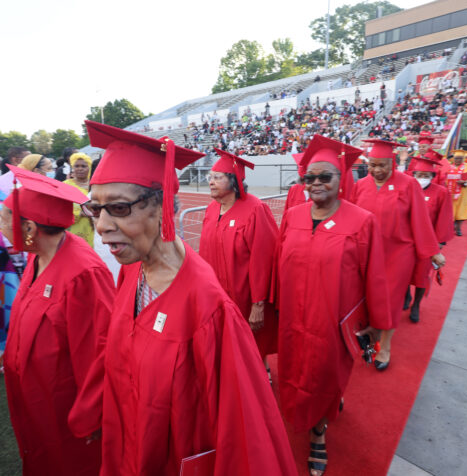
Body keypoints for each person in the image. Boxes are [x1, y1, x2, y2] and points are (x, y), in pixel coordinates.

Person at [82, 120, 298, 476]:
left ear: (164, 205)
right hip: (126, 443)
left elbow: (242, 429)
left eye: (118, 208)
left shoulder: (209, 308)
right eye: (96, 208)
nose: (102, 225)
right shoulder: (131, 270)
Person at [273, 135, 391, 476]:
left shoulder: (361, 221)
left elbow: (376, 277)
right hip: (294, 317)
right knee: (294, 371)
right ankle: (308, 416)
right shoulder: (292, 215)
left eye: (325, 176)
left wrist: (375, 324)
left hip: (333, 320)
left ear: (342, 178)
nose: (316, 184)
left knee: (325, 374)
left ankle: (319, 434)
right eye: (309, 178)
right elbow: (277, 265)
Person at [0, 166, 115, 476]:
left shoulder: (83, 274)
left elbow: (100, 350)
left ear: (29, 228)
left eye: (5, 218)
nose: (1, 225)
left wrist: (92, 413)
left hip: (66, 412)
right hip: (37, 400)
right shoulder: (38, 257)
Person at [351, 139, 445, 370]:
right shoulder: (361, 185)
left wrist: (432, 251)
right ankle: (369, 338)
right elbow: (351, 218)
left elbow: (420, 220)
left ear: (392, 163)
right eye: (372, 165)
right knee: (364, 297)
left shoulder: (408, 184)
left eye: (382, 165)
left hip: (397, 253)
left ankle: (386, 346)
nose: (377, 170)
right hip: (365, 253)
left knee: (390, 301)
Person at [199, 149, 279, 366]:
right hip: (217, 295)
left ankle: (261, 373)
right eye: (210, 177)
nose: (211, 182)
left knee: (251, 346)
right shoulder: (211, 210)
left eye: (217, 177)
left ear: (234, 181)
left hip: (245, 297)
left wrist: (258, 304)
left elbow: (263, 260)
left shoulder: (255, 210)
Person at [404, 157, 454, 322]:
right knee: (402, 272)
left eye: (426, 175)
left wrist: (437, 245)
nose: (422, 178)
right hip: (405, 241)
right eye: (419, 174)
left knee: (421, 275)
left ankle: (416, 304)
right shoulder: (406, 189)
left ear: (432, 177)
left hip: (426, 243)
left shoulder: (440, 193)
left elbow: (444, 218)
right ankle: (405, 297)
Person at [64, 152, 94, 247]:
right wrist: (79, 213)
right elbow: (60, 208)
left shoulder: (95, 184)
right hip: (75, 227)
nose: (80, 169)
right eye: (76, 166)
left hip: (95, 226)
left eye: (83, 166)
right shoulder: (65, 185)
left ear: (89, 168)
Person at [446, 149, 467, 236]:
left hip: (463, 194)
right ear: (453, 159)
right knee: (449, 212)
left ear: (463, 159)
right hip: (450, 194)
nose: (458, 160)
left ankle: (458, 229)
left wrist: (466, 181)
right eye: (456, 158)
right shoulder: (449, 167)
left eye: (460, 158)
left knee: (461, 212)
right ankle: (449, 228)